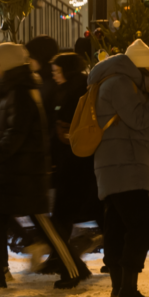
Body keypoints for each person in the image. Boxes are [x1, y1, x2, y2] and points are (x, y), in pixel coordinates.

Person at [0, 43, 87, 290]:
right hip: (12, 170)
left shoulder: (20, 92)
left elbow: (16, 133)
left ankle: (73, 269)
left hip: (25, 172)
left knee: (43, 224)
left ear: (8, 64)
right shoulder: (13, 89)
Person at [89, 39, 149, 297]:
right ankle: (127, 290)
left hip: (122, 165)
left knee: (118, 228)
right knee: (142, 226)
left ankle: (119, 290)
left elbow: (144, 127)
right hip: (123, 166)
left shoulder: (125, 85)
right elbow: (139, 118)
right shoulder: (119, 83)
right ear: (142, 68)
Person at [39, 51, 102, 277]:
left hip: (74, 160)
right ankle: (61, 257)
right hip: (79, 160)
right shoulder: (78, 87)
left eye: (57, 71)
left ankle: (65, 260)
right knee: (85, 211)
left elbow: (68, 121)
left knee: (63, 213)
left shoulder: (74, 90)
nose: (55, 75)